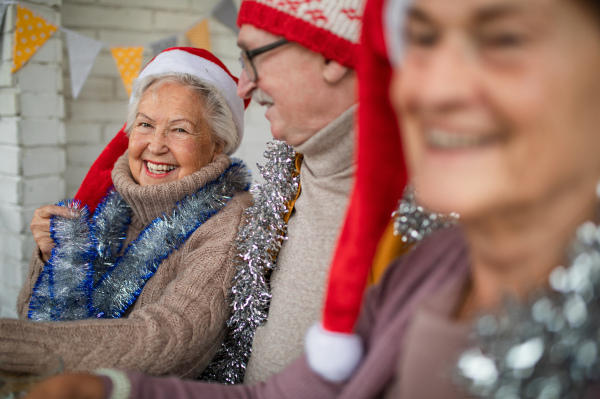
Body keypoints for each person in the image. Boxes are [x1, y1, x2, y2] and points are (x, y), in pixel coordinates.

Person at [22, 0, 600, 397]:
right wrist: (110, 387)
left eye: (502, 40)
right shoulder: (429, 270)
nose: (429, 85)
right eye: (418, 43)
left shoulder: (242, 214)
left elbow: (172, 338)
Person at [0, 47, 253, 379]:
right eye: (145, 124)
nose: (156, 144)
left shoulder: (229, 221)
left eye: (179, 129)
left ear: (217, 144)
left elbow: (174, 343)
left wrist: (11, 344)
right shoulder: (108, 198)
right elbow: (33, 314)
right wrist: (52, 259)